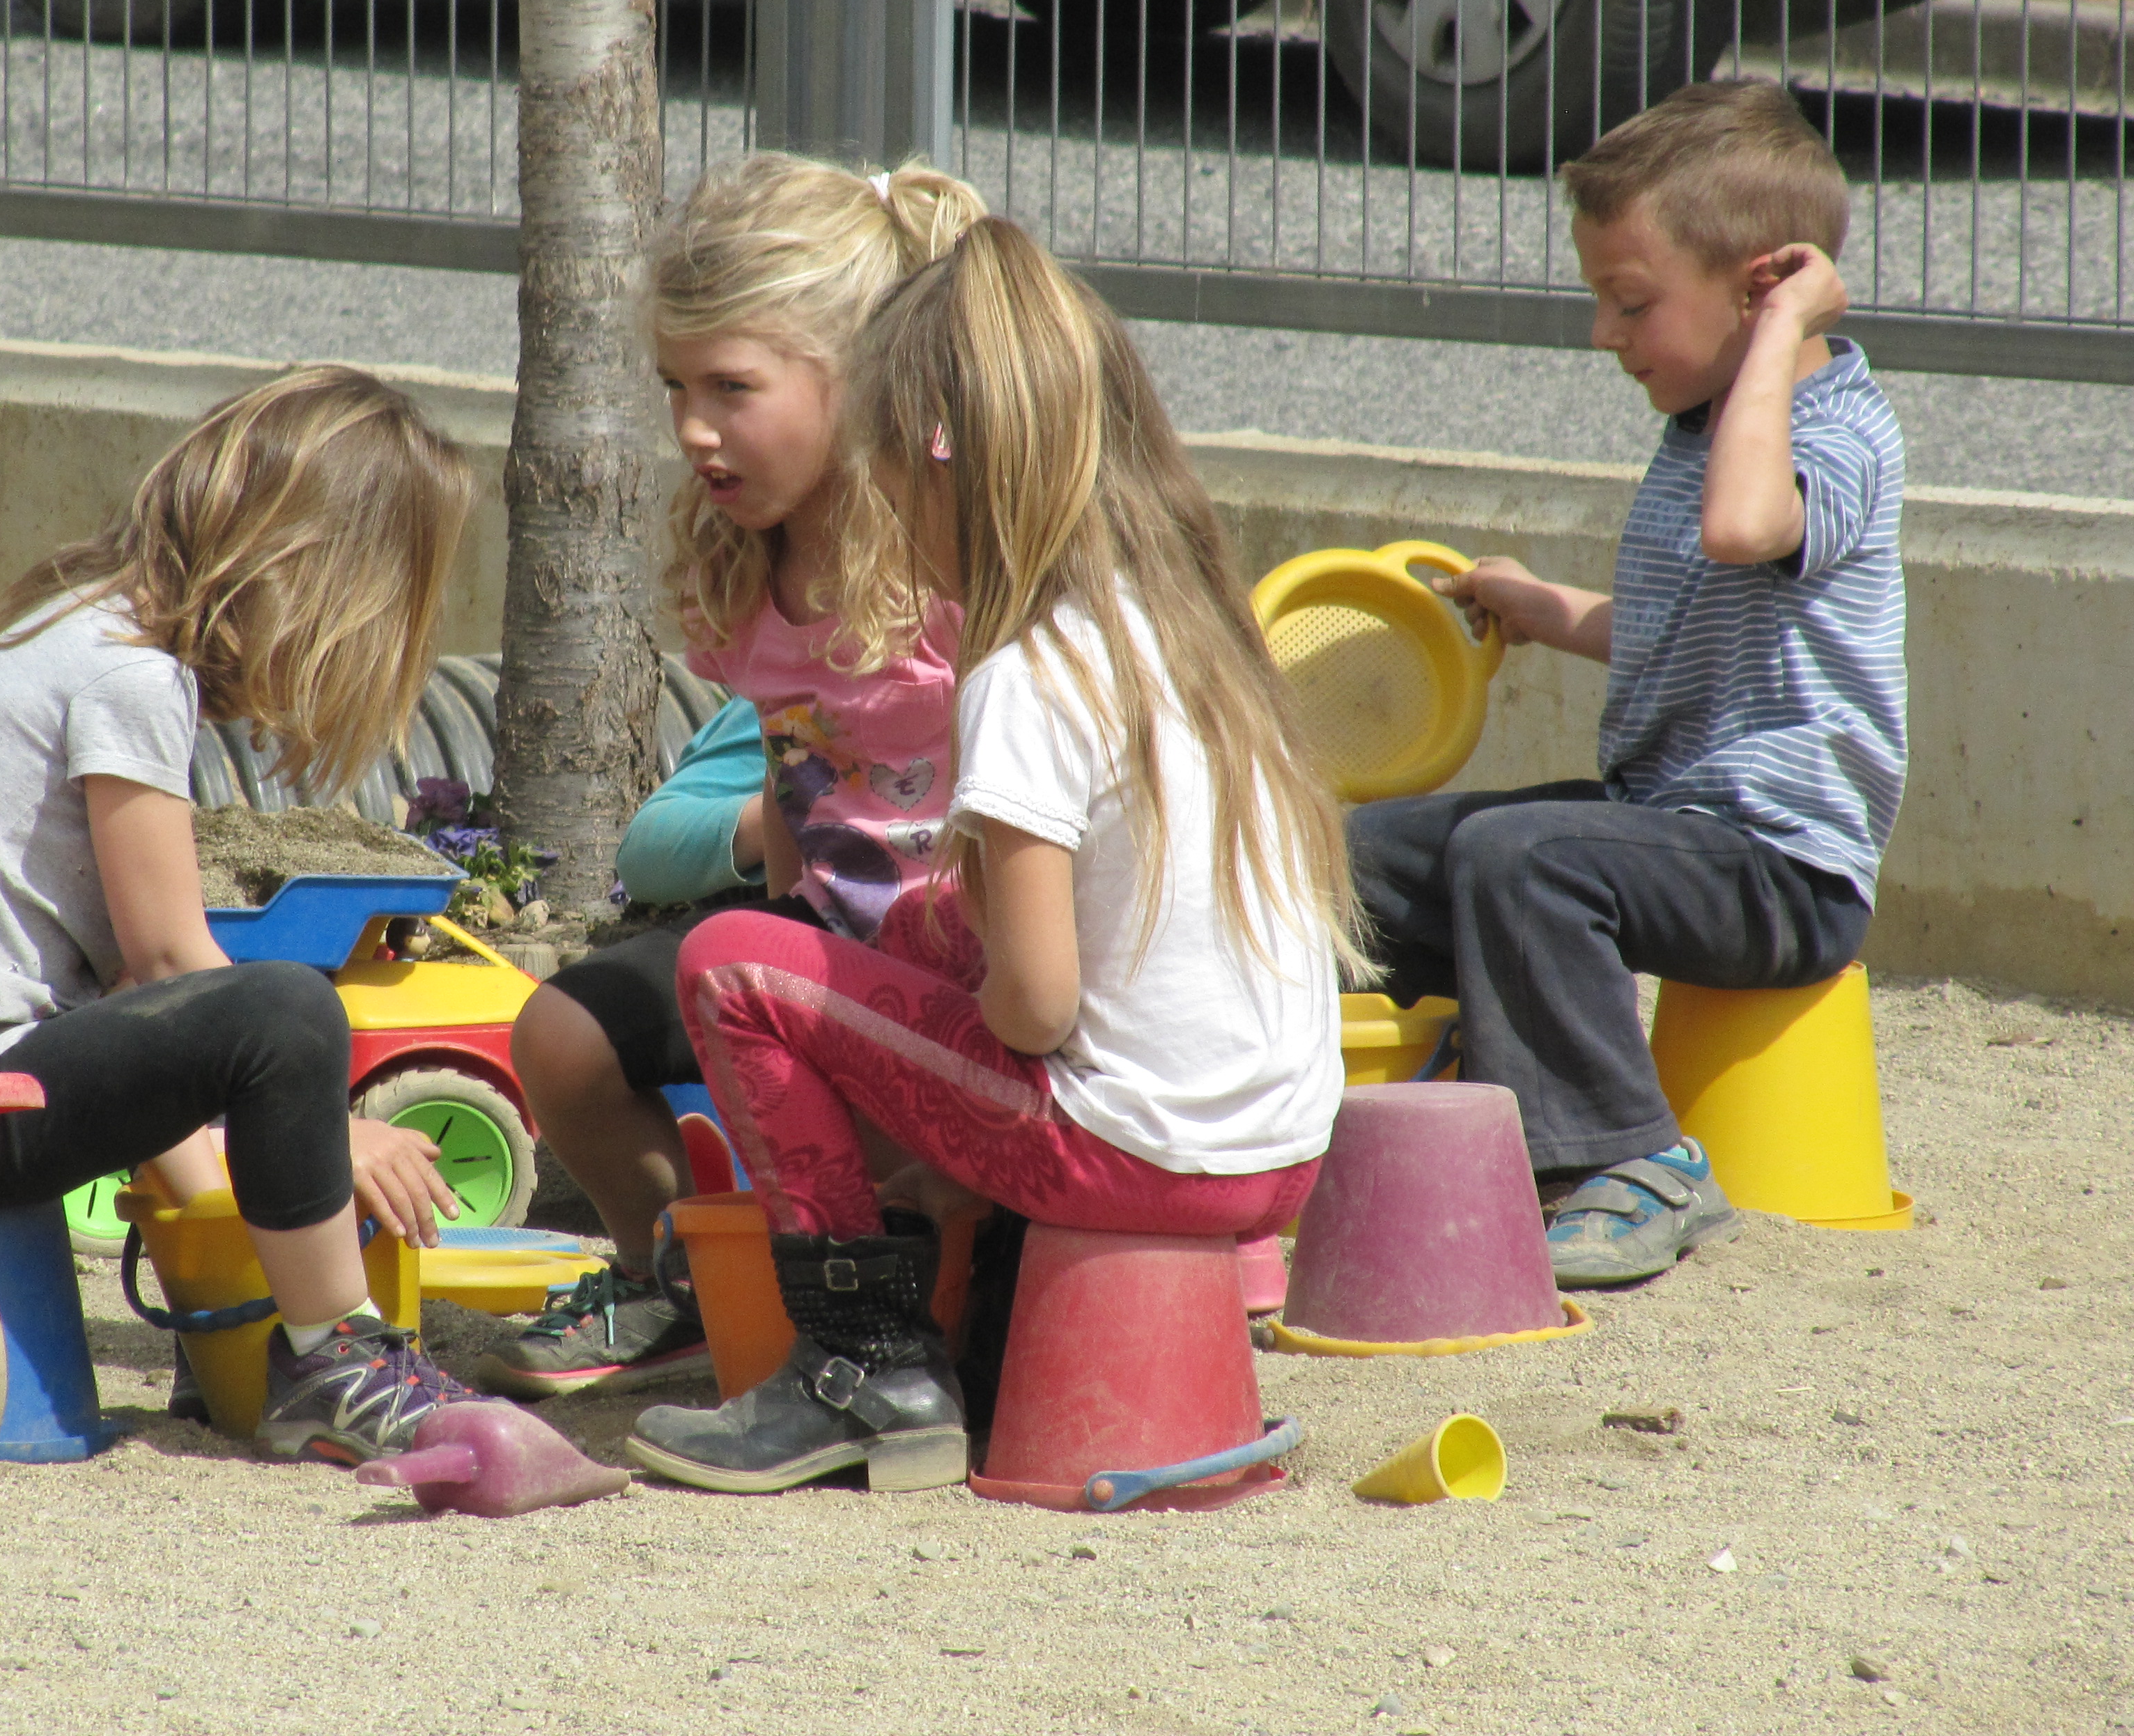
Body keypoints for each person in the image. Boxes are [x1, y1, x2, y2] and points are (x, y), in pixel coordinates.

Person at [628, 218, 1359, 1495]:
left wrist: (934, 1116)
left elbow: (1035, 1008)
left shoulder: (1024, 674)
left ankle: (861, 1363)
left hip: (1133, 1157)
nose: (880, 511)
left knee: (735, 961)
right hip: (1282, 1153)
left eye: (885, 477)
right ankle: (966, 1306)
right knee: (916, 934)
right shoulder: (1189, 631)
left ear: (942, 462)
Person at [0, 368, 490, 1463]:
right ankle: (338, 1358)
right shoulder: (133, 677)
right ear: (319, 578)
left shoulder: (79, 628)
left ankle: (272, 1338)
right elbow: (170, 964)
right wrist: (327, 1134)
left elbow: (137, 1003)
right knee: (287, 1014)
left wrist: (224, 1230)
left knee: (234, 1019)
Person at [1347, 79, 1905, 1288]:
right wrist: (1544, 608)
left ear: (1762, 289)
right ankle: (1456, 1089)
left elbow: (1742, 532)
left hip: (1783, 869)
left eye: (1632, 301)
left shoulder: (1840, 434)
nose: (1605, 333)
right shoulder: (1706, 435)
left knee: (1525, 859)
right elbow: (1686, 624)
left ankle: (1635, 1163)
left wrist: (1785, 333)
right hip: (1668, 828)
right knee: (1362, 854)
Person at [482, 153, 990, 1398]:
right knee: (561, 1034)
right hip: (821, 939)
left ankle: (855, 1317)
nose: (693, 429)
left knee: (903, 1179)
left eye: (732, 388)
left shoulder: (952, 560)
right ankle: (677, 1278)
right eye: (676, 387)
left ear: (856, 377)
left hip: (974, 960)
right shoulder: (750, 555)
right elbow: (789, 771)